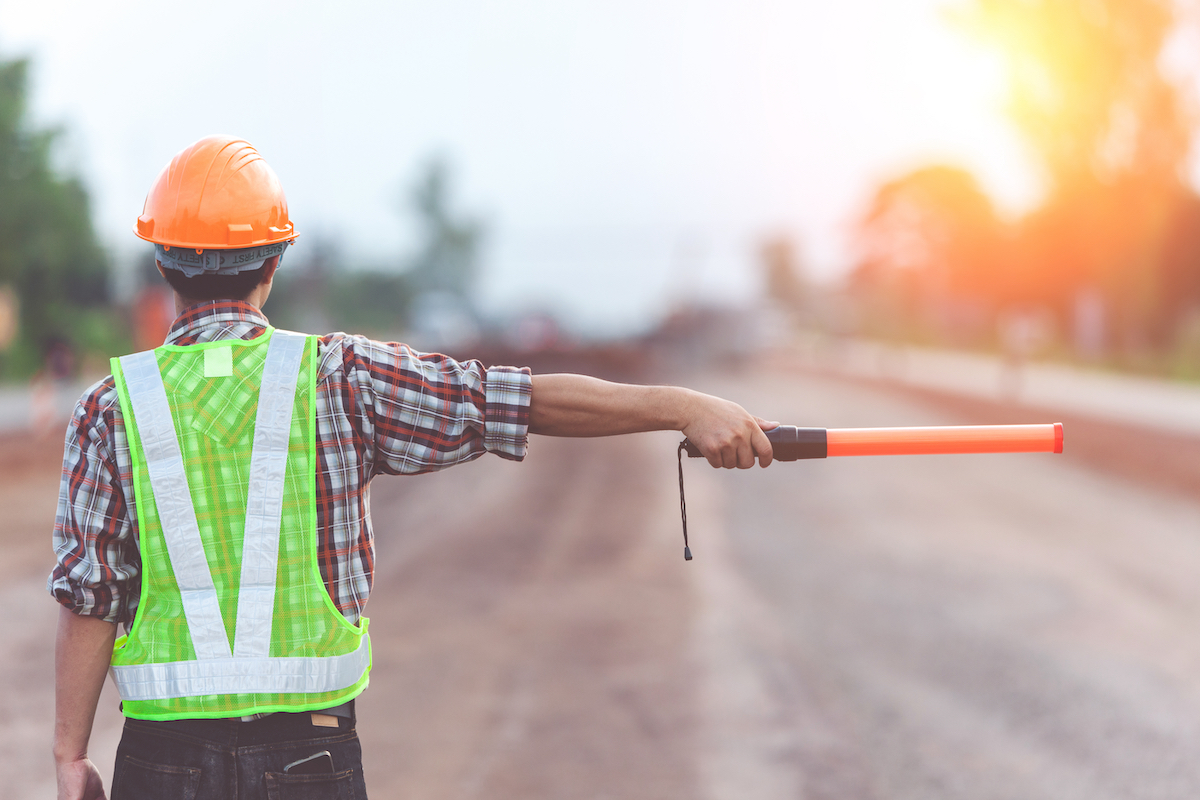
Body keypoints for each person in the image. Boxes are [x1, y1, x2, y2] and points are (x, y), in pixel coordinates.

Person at [49, 134, 774, 800]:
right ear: (274, 262)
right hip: (310, 760)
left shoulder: (109, 409)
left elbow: (89, 599)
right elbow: (517, 402)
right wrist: (681, 406)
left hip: (161, 766)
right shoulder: (339, 377)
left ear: (161, 264)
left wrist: (69, 754)